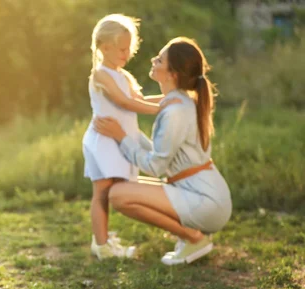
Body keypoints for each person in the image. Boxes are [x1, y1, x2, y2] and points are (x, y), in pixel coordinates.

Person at [93, 37, 232, 265]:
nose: (153, 61)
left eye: (159, 59)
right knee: (121, 189)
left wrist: (122, 137)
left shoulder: (176, 111)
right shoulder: (179, 103)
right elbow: (162, 153)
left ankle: (193, 238)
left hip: (206, 200)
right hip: (201, 193)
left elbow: (156, 166)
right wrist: (130, 133)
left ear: (172, 74)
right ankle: (192, 236)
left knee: (118, 195)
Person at [83, 14, 176, 260]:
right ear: (105, 47)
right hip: (104, 139)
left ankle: (101, 240)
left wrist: (175, 98)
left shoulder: (123, 75)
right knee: (102, 191)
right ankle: (102, 246)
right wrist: (162, 109)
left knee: (111, 190)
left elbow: (140, 99)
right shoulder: (100, 75)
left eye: (129, 49)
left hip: (120, 139)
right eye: (122, 49)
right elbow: (124, 102)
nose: (127, 54)